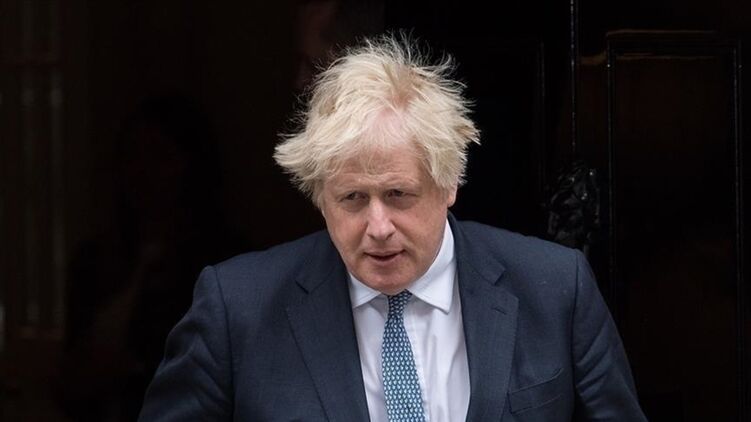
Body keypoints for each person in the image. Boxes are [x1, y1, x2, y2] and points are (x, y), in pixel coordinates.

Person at [138, 35, 646, 421]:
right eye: (353, 199)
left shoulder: (556, 289)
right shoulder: (237, 309)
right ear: (320, 199)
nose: (378, 227)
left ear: (449, 183)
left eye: (399, 195)